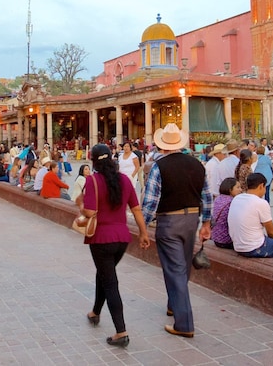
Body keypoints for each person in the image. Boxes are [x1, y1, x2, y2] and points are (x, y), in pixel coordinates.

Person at [141, 123, 212, 339]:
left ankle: (184, 323)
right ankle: (174, 304)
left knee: (174, 268)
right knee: (183, 264)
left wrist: (142, 227)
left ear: (162, 146)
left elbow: (150, 202)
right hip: (192, 219)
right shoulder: (198, 164)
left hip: (169, 221)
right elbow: (207, 196)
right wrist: (206, 223)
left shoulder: (158, 167)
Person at [80, 144, 151, 347]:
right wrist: (144, 233)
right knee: (104, 274)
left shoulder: (92, 181)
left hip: (101, 238)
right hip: (122, 238)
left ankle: (121, 332)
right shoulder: (124, 180)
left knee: (110, 282)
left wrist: (81, 206)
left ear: (93, 161)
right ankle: (95, 312)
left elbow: (90, 212)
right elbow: (136, 209)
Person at [228, 173, 273, 262]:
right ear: (261, 186)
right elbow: (271, 231)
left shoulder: (237, 198)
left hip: (238, 246)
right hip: (253, 248)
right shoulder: (260, 202)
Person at [210, 178, 241, 249]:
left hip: (216, 238)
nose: (240, 190)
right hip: (227, 240)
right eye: (238, 187)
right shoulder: (232, 202)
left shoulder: (218, 198)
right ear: (230, 189)